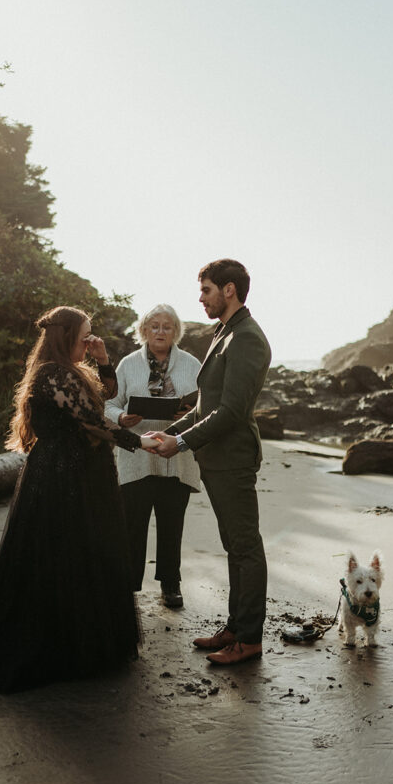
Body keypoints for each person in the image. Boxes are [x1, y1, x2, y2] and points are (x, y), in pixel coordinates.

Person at [0, 306, 159, 693]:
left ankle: (82, 644)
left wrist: (103, 361)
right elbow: (91, 422)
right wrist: (143, 442)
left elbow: (106, 397)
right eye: (85, 336)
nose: (90, 341)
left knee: (86, 554)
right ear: (67, 336)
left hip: (82, 473)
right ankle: (58, 649)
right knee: (59, 555)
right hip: (62, 476)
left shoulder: (72, 370)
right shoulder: (52, 374)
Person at [148, 260, 271, 666]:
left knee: (245, 547)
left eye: (206, 290)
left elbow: (232, 411)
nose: (200, 298)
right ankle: (236, 627)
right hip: (217, 457)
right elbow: (206, 406)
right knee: (234, 546)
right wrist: (172, 432)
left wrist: (180, 443)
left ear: (229, 290)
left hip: (233, 457)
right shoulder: (227, 333)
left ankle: (249, 639)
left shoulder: (247, 338)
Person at [104, 304, 201, 609]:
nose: (160, 331)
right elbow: (108, 405)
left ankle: (170, 585)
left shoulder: (192, 364)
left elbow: (207, 406)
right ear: (143, 330)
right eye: (154, 326)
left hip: (178, 456)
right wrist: (121, 418)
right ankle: (130, 587)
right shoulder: (127, 365)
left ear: (176, 332)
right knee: (133, 526)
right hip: (137, 457)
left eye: (167, 326)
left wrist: (192, 413)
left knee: (172, 526)